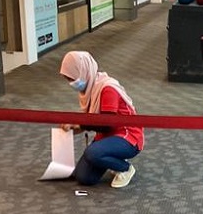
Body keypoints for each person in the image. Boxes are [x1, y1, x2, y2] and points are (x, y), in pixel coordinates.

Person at [59, 51, 143, 188]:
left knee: (93, 153)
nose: (71, 83)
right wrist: (76, 128)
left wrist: (81, 125)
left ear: (83, 71)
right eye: (68, 79)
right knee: (84, 177)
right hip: (106, 136)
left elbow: (107, 124)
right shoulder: (89, 89)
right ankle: (112, 156)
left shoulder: (107, 88)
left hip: (127, 136)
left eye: (72, 79)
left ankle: (125, 168)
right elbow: (93, 121)